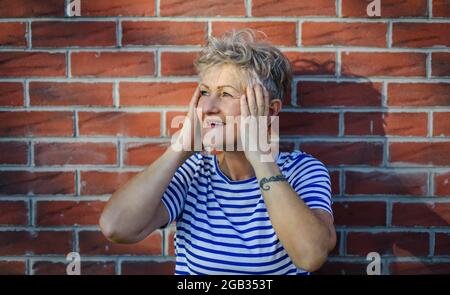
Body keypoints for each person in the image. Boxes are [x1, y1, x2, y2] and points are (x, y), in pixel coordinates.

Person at [99, 29, 336, 275]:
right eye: (204, 93)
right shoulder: (193, 172)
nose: (209, 107)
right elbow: (116, 227)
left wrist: (260, 157)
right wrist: (180, 148)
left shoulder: (302, 171)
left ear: (270, 111)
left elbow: (310, 255)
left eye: (225, 94)